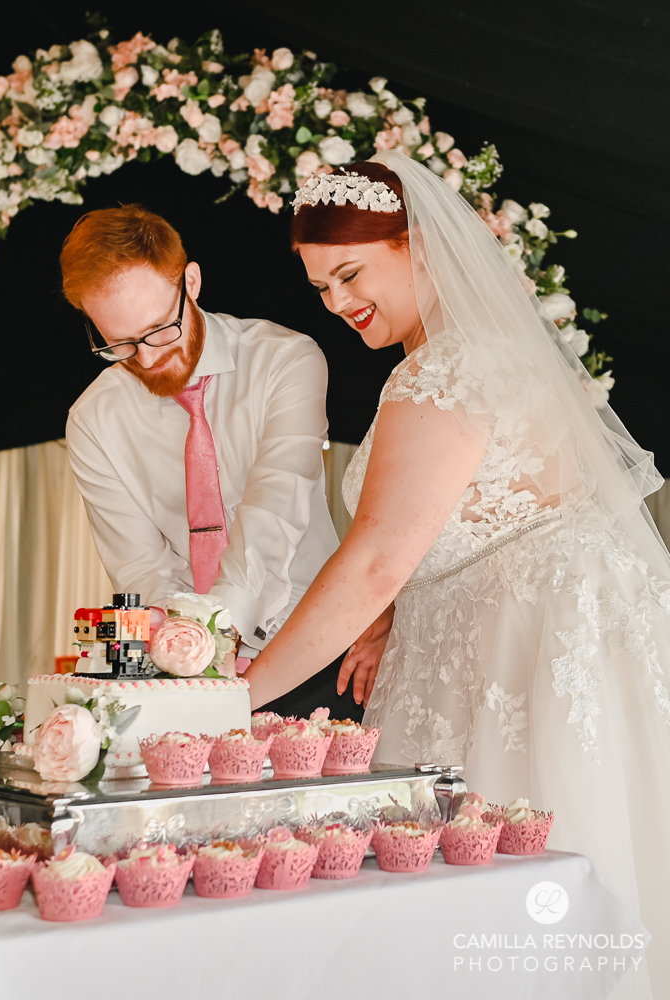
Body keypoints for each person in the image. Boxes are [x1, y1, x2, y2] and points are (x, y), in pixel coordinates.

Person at [245, 152, 670, 999]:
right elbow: (500, 514)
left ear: (422, 246)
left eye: (352, 273)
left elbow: (371, 561)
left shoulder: (441, 373)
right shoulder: (497, 353)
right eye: (321, 287)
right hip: (547, 633)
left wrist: (235, 695)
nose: (337, 303)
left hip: (521, 661)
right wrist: (404, 606)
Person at [61, 205, 390, 720]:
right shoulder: (91, 421)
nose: (147, 360)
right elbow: (142, 566)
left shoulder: (286, 359)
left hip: (317, 651)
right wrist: (188, 657)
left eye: (158, 331)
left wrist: (216, 636)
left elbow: (273, 514)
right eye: (119, 344)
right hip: (186, 672)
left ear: (190, 282)